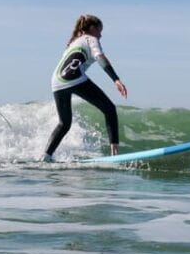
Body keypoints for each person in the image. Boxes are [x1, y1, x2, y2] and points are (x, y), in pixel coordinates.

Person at [42, 14, 127, 161]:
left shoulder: (74, 42)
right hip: (74, 78)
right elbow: (100, 57)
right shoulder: (91, 39)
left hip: (56, 81)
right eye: (99, 31)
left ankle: (45, 156)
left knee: (64, 124)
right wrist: (116, 79)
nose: (100, 35)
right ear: (92, 28)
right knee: (110, 109)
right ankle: (115, 155)